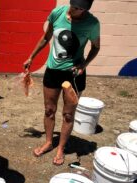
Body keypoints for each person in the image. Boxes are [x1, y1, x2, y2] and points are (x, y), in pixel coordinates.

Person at [23, 0, 100, 166]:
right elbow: (46, 37)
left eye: (81, 8)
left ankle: (61, 148)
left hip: (74, 75)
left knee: (68, 114)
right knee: (49, 110)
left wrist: (84, 64)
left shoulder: (92, 23)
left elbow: (95, 47)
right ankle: (49, 142)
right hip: (53, 72)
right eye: (75, 6)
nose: (77, 11)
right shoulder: (57, 13)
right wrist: (31, 57)